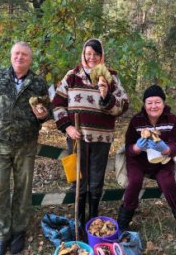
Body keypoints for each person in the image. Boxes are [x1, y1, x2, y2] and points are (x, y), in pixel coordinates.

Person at [0, 41, 50, 255]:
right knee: (0, 188)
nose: (20, 57)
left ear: (30, 59)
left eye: (24, 55)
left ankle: (18, 231)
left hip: (25, 144)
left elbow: (46, 112)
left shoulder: (38, 82)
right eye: (17, 54)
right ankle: (2, 235)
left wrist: (43, 115)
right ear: (11, 56)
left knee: (23, 188)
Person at [53, 38, 129, 227]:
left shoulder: (111, 77)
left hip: (102, 138)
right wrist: (67, 127)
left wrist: (106, 97)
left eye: (95, 53)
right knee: (79, 178)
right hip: (77, 137)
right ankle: (79, 218)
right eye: (88, 53)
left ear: (101, 55)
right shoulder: (72, 76)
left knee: (96, 179)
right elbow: (57, 103)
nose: (92, 57)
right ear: (83, 54)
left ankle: (93, 217)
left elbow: (123, 104)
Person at [117, 84, 176, 247]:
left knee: (168, 182)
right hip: (138, 160)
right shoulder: (136, 120)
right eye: (149, 102)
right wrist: (137, 147)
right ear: (144, 104)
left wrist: (165, 149)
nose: (153, 106)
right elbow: (128, 148)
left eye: (157, 102)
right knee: (134, 182)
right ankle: (123, 223)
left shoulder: (171, 119)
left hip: (162, 160)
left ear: (163, 103)